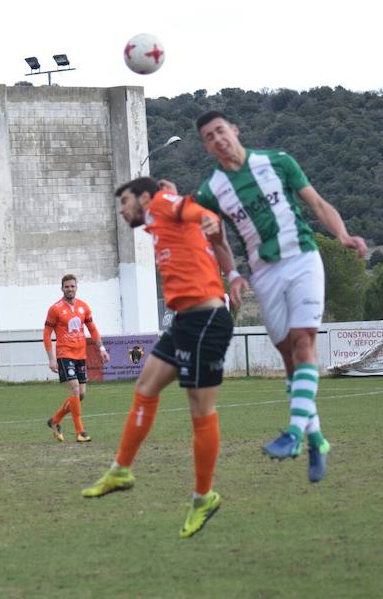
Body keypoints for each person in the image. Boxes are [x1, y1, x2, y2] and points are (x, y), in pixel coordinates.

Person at [175, 109, 368, 483]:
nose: (217, 139)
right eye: (208, 137)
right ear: (206, 146)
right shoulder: (211, 189)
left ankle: (293, 434)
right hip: (263, 274)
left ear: (235, 129)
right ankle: (316, 440)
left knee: (303, 343)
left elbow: (318, 204)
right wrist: (230, 274)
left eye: (220, 131)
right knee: (291, 363)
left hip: (303, 259)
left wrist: (342, 235)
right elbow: (215, 238)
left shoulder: (277, 161)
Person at [82, 177, 234, 539]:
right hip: (184, 319)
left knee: (201, 411)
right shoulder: (157, 216)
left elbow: (189, 208)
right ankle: (121, 470)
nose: (121, 210)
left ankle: (203, 497)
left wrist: (206, 217)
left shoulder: (162, 203)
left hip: (206, 318)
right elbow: (177, 205)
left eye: (125, 202)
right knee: (146, 386)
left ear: (145, 198)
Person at [43, 274, 110, 443]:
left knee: (80, 395)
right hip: (65, 354)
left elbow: (92, 329)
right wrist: (51, 358)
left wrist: (101, 348)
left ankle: (55, 421)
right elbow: (46, 333)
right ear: (62, 288)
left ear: (76, 288)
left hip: (81, 354)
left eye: (72, 286)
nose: (70, 289)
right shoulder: (55, 309)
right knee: (74, 389)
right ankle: (80, 431)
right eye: (67, 286)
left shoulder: (84, 307)